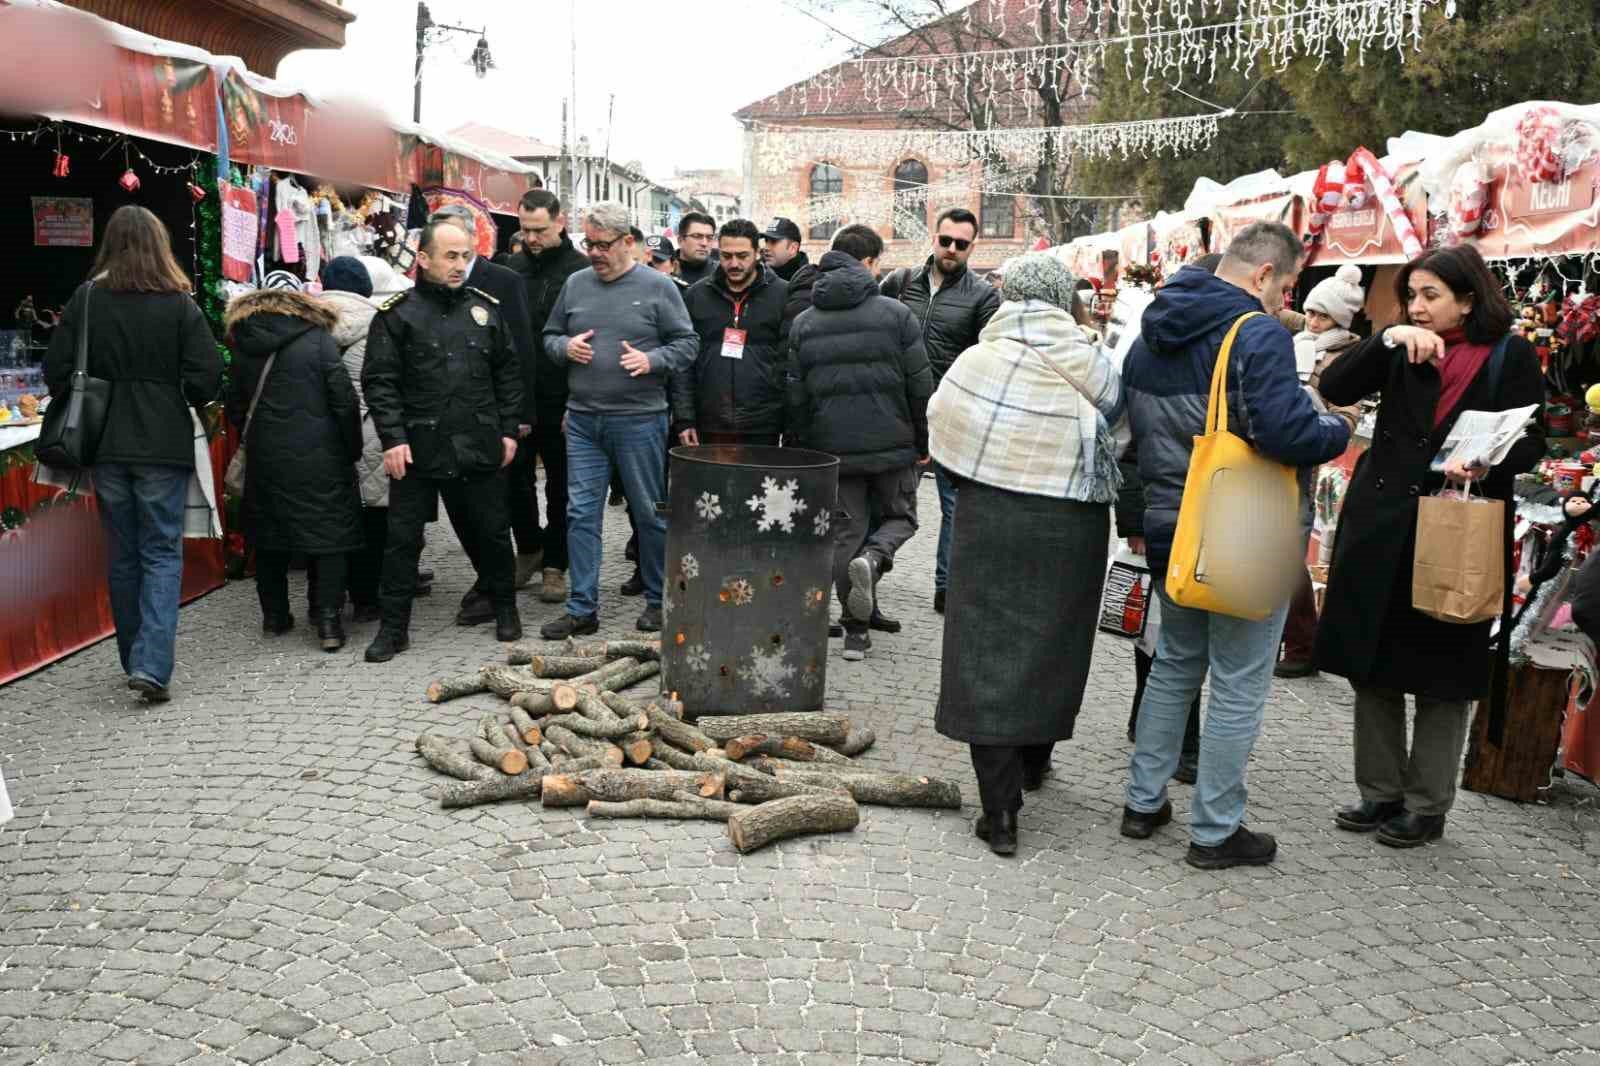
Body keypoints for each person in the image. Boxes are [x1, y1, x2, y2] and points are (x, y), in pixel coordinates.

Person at [1120, 222, 1351, 869]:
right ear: (1263, 274)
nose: (1286, 300)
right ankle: (1215, 830)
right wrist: (1337, 427)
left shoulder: (1151, 331)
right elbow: (1284, 433)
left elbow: (1132, 435)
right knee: (1239, 681)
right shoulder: (1254, 332)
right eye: (1288, 286)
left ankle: (1142, 802)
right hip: (1239, 526)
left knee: (1174, 664)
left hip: (1172, 524)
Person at [1316, 245, 1543, 848]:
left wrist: (1488, 459)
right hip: (1383, 521)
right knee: (1372, 660)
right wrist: (1387, 337)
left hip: (1455, 526)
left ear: (1467, 300)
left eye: (1430, 296)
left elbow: (1533, 440)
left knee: (1442, 672)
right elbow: (1335, 383)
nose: (1417, 306)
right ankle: (1379, 790)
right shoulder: (1400, 345)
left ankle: (1426, 803)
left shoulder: (1508, 355)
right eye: (1410, 295)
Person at [929, 254, 1124, 855]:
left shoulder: (978, 358)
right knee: (1052, 642)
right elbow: (1116, 413)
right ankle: (1034, 762)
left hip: (991, 516)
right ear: (1065, 298)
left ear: (1008, 296)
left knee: (983, 649)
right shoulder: (1089, 357)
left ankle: (1001, 812)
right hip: (1072, 520)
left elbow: (940, 422)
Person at [43, 205, 222, 703]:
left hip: (103, 442)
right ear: (160, 245)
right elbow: (207, 377)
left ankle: (134, 658)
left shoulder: (87, 299)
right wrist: (174, 393)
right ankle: (151, 664)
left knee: (123, 554)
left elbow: (55, 370)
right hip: (163, 442)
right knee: (161, 552)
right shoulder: (180, 304)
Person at [360, 221, 525, 662]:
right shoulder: (397, 315)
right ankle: (394, 629)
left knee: (492, 531)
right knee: (402, 541)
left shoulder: (485, 310)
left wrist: (508, 430)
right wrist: (392, 438)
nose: (459, 265)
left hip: (478, 439)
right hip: (418, 445)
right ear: (423, 258)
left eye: (466, 257)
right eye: (450, 256)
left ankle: (506, 610)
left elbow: (508, 374)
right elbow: (380, 382)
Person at [540, 201, 698, 638]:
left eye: (603, 244)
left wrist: (651, 360)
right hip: (583, 422)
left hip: (640, 421)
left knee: (649, 514)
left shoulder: (658, 287)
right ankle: (582, 609)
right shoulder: (575, 284)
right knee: (580, 514)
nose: (594, 252)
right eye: (588, 243)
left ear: (628, 242)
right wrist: (565, 348)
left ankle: (659, 602)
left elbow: (688, 344)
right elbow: (550, 337)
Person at [788, 223, 932, 662]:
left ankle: (856, 635)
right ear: (868, 263)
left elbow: (796, 395)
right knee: (900, 519)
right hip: (893, 444)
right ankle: (873, 559)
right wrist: (924, 439)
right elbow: (919, 385)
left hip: (832, 450)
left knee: (845, 533)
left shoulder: (804, 322)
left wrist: (805, 448)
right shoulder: (897, 315)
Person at [225, 286, 363, 652]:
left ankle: (275, 616)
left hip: (266, 458)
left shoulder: (245, 342)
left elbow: (235, 405)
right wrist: (351, 448)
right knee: (328, 537)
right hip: (323, 457)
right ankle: (328, 620)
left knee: (269, 535)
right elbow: (344, 401)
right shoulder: (318, 340)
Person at [880, 207, 1001, 614]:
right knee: (887, 500)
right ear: (934, 238)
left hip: (952, 414)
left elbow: (990, 356)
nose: (951, 249)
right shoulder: (899, 282)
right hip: (897, 411)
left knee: (954, 505)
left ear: (972, 247)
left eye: (960, 244)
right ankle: (868, 571)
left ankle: (947, 589)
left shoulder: (983, 295)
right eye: (945, 240)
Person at [429, 204, 543, 617]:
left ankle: (511, 567)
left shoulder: (503, 280)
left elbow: (521, 349)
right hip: (448, 415)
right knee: (462, 500)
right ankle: (491, 577)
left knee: (506, 494)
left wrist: (522, 414)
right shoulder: (429, 281)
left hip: (496, 411)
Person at [1274, 263, 1367, 678]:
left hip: (1305, 459)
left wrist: (1311, 410)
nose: (1312, 320)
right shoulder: (1301, 338)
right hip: (1274, 452)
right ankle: (1289, 639)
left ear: (1338, 319)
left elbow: (1346, 417)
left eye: (1322, 316)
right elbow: (1278, 310)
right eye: (1310, 312)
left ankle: (1302, 644)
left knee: (1287, 553)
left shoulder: (1346, 356)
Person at [506, 189, 587, 607]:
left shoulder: (581, 271)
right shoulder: (511, 269)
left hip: (563, 397)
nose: (532, 238)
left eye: (539, 230)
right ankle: (529, 547)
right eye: (525, 230)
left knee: (562, 486)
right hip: (517, 396)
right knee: (513, 479)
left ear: (560, 221)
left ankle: (555, 563)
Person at [318, 256, 397, 624]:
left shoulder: (308, 325)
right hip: (372, 435)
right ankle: (368, 598)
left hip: (323, 438)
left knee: (329, 521)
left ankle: (326, 602)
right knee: (374, 520)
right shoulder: (380, 325)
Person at [672, 219, 788, 448]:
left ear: (757, 253)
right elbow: (683, 362)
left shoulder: (782, 295)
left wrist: (789, 424)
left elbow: (790, 363)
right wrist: (684, 418)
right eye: (726, 256)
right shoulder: (696, 296)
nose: (734, 263)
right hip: (709, 423)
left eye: (742, 256)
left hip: (764, 424)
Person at [676, 211, 718, 287]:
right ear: (680, 240)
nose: (704, 243)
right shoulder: (663, 268)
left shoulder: (721, 273)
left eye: (709, 237)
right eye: (697, 236)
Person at [761, 217, 809, 282]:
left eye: (773, 241)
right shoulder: (758, 276)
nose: (766, 248)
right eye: (766, 241)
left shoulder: (809, 283)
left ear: (793, 248)